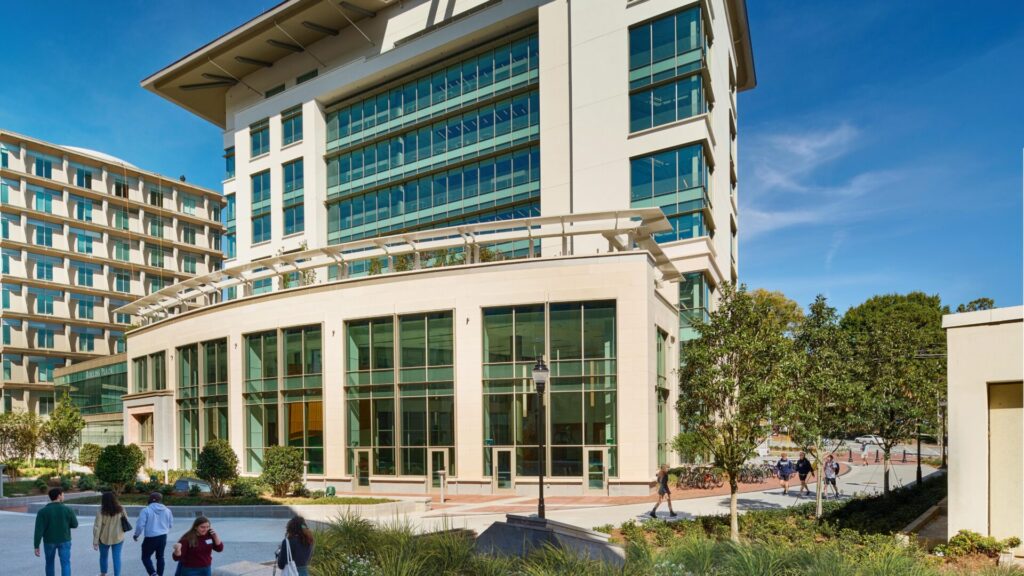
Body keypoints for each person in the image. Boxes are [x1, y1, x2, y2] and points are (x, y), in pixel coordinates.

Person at [34, 487, 79, 576]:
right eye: (63, 495)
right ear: (59, 496)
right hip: (65, 540)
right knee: (65, 564)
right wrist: (65, 524)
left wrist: (36, 545)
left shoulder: (42, 512)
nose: (63, 496)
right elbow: (75, 525)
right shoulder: (68, 509)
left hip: (49, 541)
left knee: (49, 563)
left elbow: (38, 530)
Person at [134, 492, 174, 576]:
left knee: (145, 557)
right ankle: (159, 574)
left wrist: (136, 535)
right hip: (163, 536)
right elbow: (170, 524)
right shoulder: (167, 510)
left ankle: (153, 573)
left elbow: (140, 525)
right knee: (160, 557)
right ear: (160, 500)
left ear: (150, 499)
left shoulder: (146, 510)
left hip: (150, 537)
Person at [93, 491, 128, 576]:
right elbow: (126, 520)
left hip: (104, 538)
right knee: (117, 557)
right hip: (118, 537)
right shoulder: (121, 509)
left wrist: (95, 541)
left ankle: (103, 573)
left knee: (103, 557)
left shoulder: (101, 510)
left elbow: (97, 526)